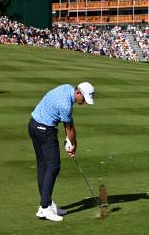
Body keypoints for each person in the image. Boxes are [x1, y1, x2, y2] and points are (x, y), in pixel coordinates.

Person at [28, 82, 95, 222]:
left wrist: (67, 142)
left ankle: (47, 203)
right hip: (45, 130)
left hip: (33, 125)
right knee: (53, 166)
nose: (84, 103)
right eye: (83, 99)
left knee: (43, 166)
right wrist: (74, 145)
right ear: (78, 93)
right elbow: (69, 128)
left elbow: (67, 126)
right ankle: (45, 208)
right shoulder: (65, 105)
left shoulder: (66, 87)